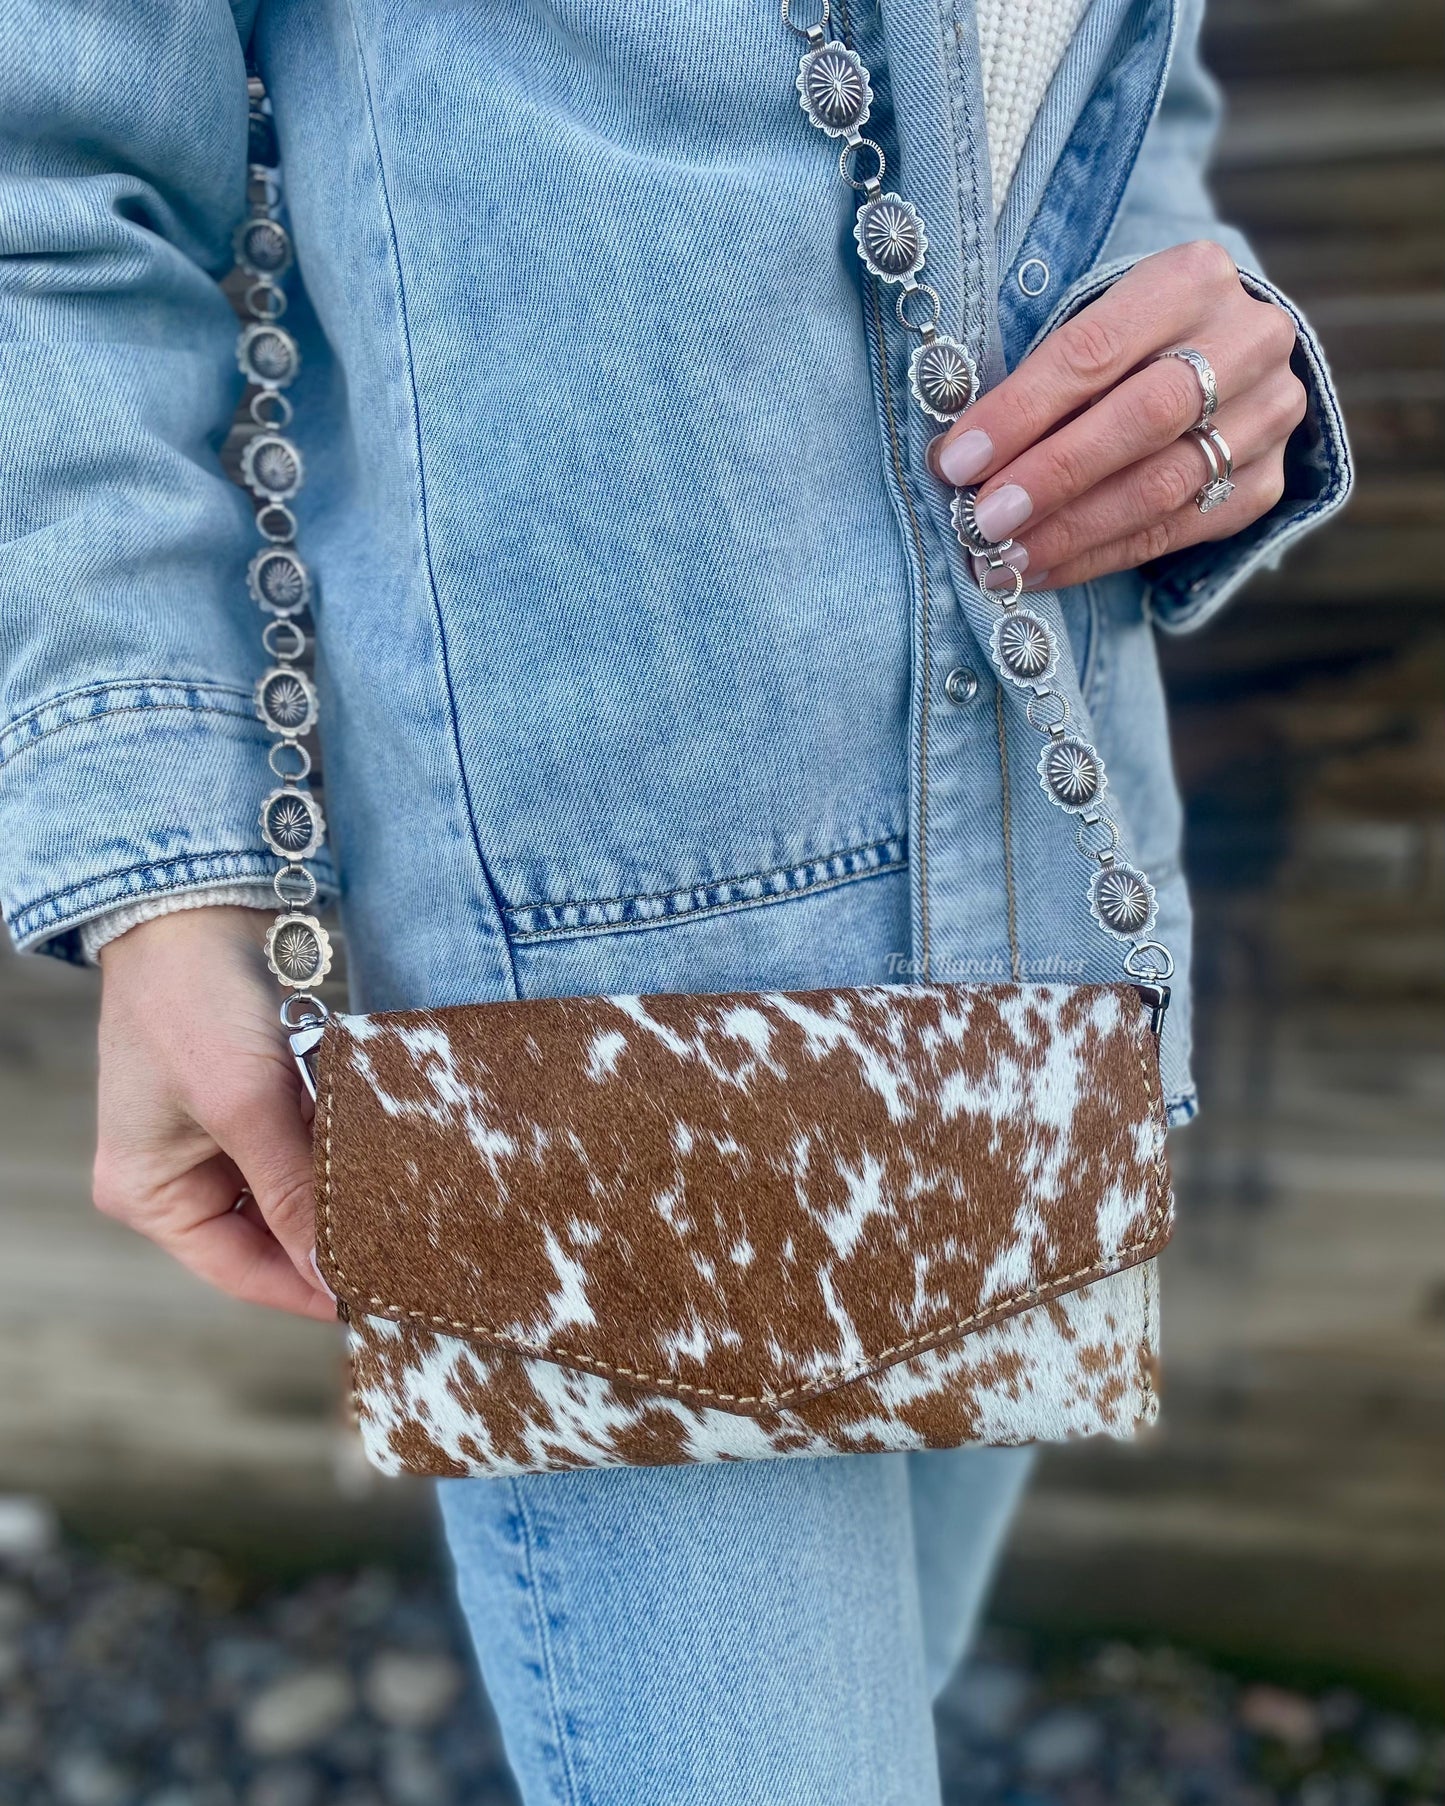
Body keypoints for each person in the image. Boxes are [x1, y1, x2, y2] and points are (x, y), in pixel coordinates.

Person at [0, 0, 1350, 1798]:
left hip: (1026, 903)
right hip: (585, 1015)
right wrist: (169, 872)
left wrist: (1208, 334)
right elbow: (47, 180)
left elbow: (1116, 95)